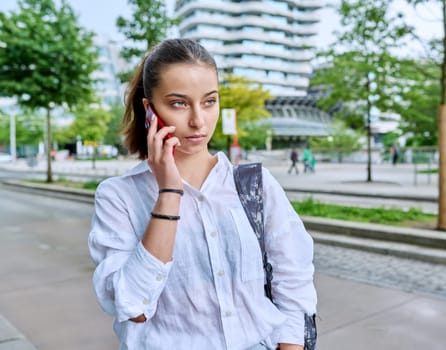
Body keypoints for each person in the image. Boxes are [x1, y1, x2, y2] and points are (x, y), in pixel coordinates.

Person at [88, 38, 317, 350]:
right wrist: (169, 191)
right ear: (150, 110)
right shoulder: (118, 196)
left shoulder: (255, 185)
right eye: (179, 103)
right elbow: (134, 307)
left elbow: (294, 283)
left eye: (209, 101)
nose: (198, 120)